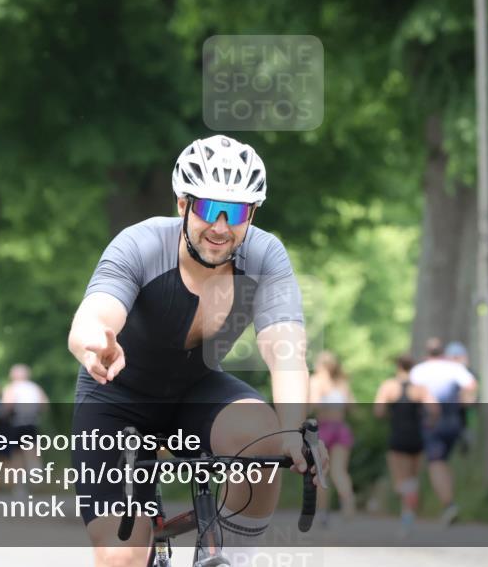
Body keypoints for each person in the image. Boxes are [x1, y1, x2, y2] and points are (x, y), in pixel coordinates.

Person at [67, 135, 328, 567]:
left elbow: (286, 353)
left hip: (195, 391)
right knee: (121, 556)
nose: (222, 227)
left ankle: (233, 558)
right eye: (209, 208)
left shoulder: (265, 255)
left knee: (264, 432)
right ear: (183, 204)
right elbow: (95, 315)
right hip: (116, 396)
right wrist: (94, 345)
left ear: (253, 214)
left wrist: (292, 431)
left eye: (238, 211)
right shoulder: (141, 244)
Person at [409, 338, 477, 525]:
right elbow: (471, 386)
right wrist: (465, 399)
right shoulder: (454, 368)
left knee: (436, 463)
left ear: (426, 353)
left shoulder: (419, 371)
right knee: (444, 461)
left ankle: (448, 504)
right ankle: (449, 501)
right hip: (454, 419)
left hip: (432, 421)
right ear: (443, 353)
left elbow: (412, 394)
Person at [373, 354, 437, 537]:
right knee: (413, 480)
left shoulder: (389, 386)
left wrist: (390, 416)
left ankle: (407, 518)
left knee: (400, 482)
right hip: (417, 437)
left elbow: (378, 411)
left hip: (398, 437)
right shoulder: (420, 389)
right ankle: (408, 517)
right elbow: (435, 410)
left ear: (397, 366)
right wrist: (429, 423)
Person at [309, 351, 357, 522]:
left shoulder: (316, 381)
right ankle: (348, 504)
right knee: (339, 471)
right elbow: (352, 407)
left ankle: (322, 512)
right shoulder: (341, 383)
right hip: (341, 428)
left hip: (323, 429)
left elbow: (313, 404)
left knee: (321, 470)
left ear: (320, 365)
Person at [1, 364, 49, 486]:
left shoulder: (12, 388)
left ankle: (20, 483)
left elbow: (8, 405)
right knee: (31, 449)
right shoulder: (34, 387)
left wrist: (4, 415)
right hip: (32, 421)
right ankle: (35, 472)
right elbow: (44, 404)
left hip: (16, 422)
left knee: (17, 454)